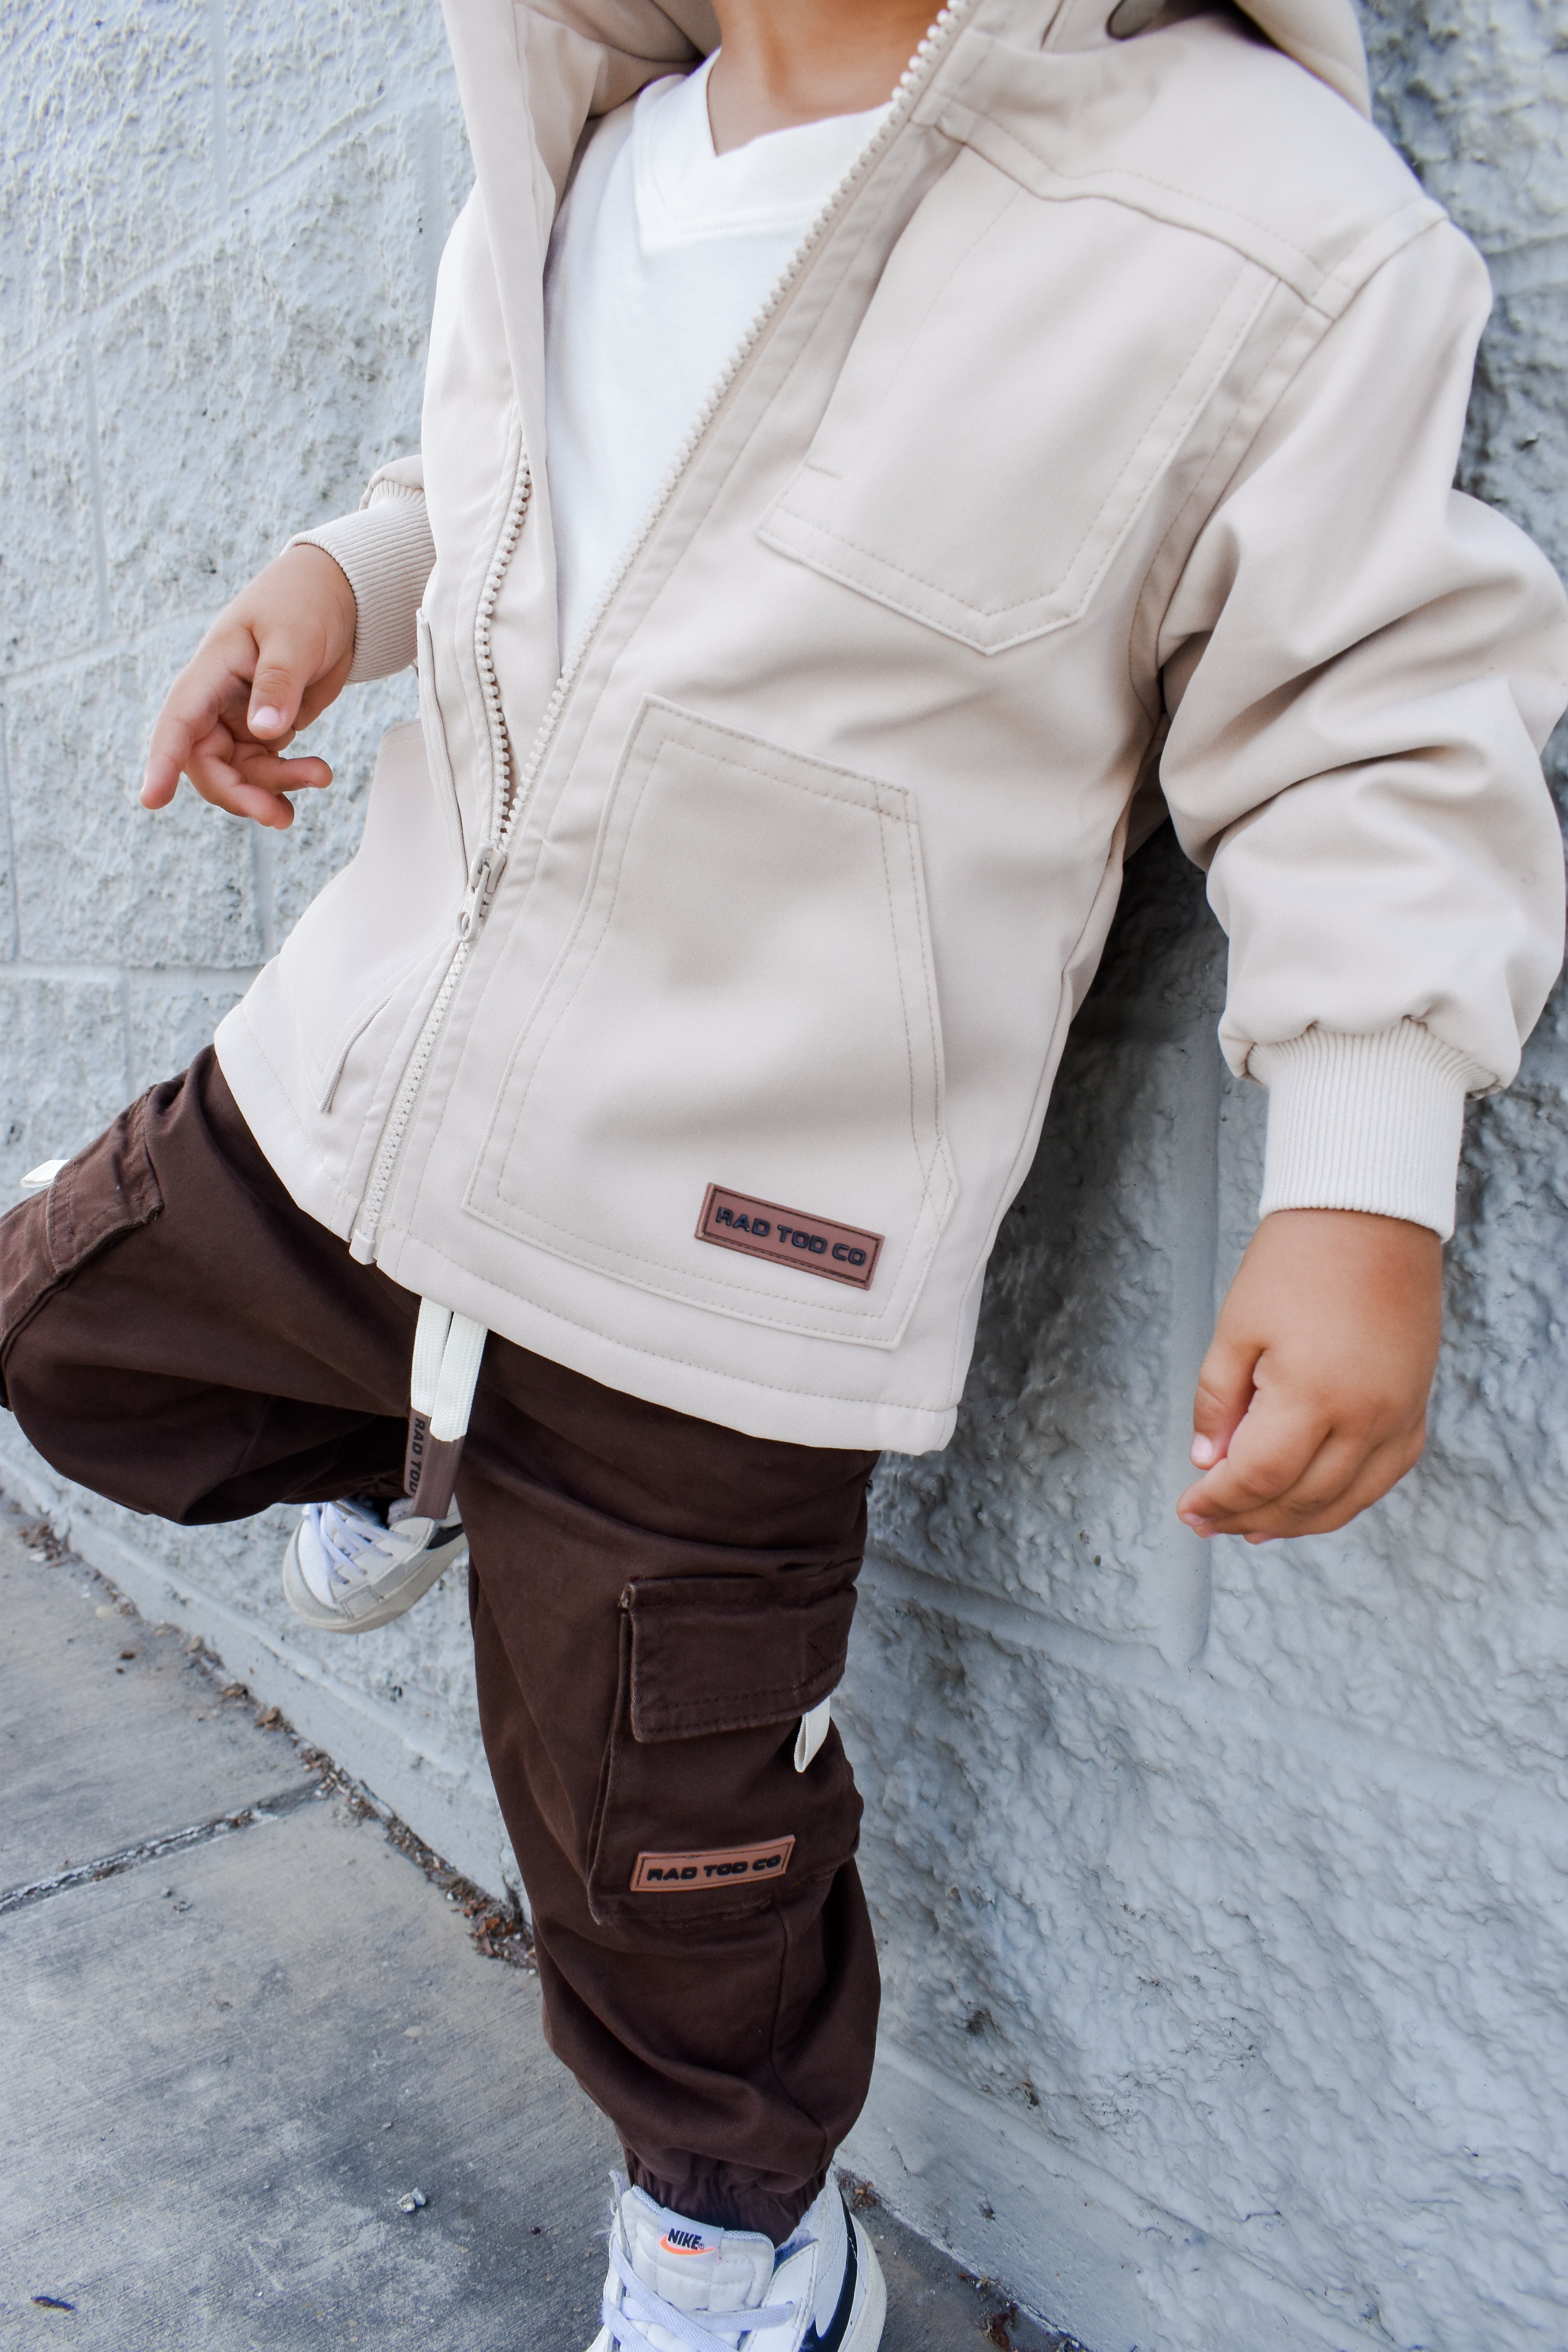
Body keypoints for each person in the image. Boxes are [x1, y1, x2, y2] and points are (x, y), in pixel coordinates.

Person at [6, 1, 1566, 2345]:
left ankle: (740, 2229)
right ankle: (439, 1438)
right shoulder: (598, 135)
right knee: (64, 1333)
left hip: (734, 1251)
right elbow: (511, 483)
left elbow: (1372, 714)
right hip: (374, 1088)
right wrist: (342, 579)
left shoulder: (1269, 214)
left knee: (666, 1853)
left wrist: (1361, 1172)